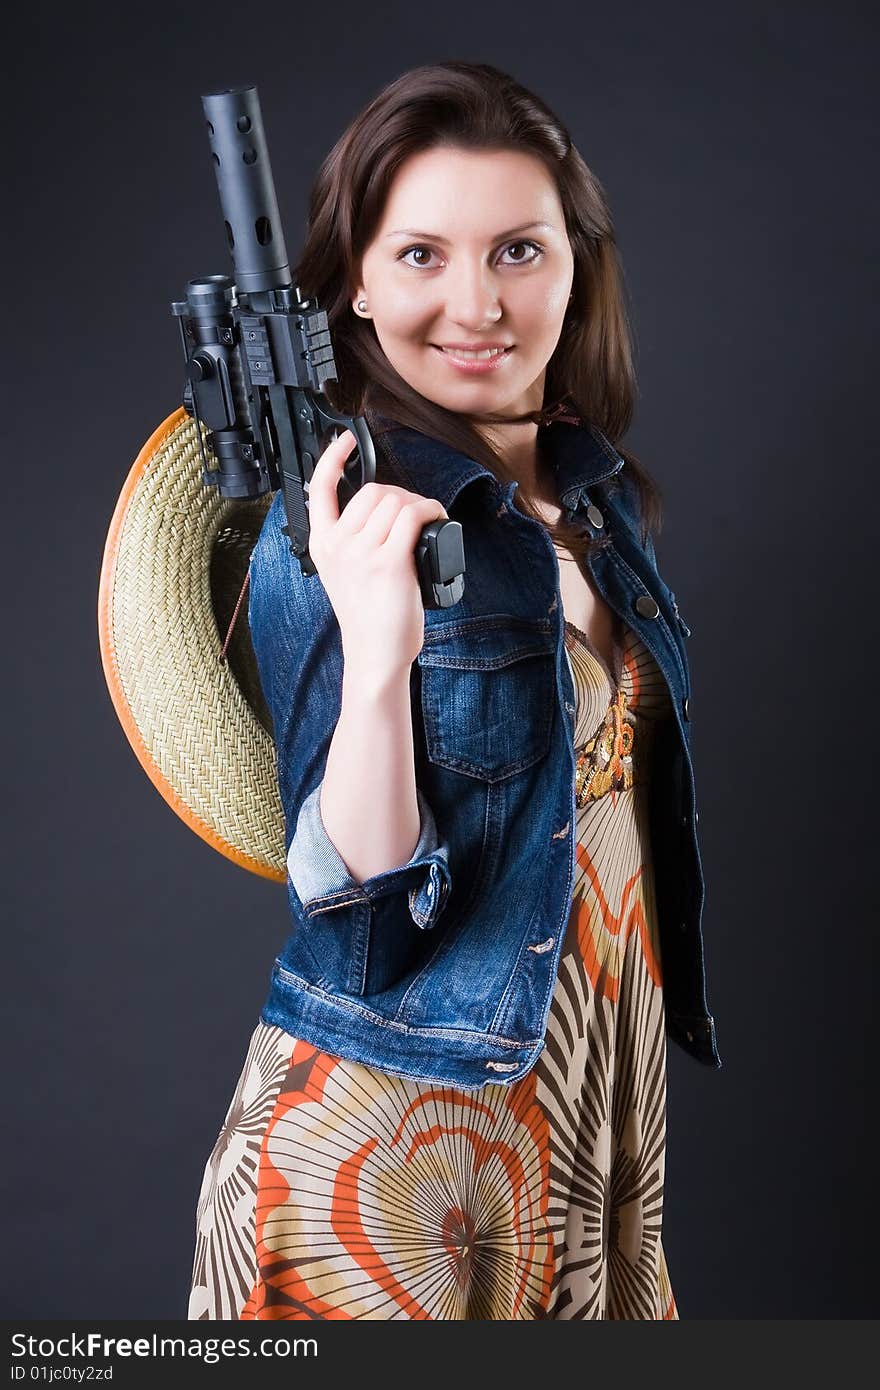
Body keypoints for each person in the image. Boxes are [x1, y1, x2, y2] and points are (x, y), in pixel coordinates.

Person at [187, 58, 720, 1322]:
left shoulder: (593, 504)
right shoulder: (338, 520)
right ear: (355, 286)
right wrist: (378, 658)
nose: (476, 302)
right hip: (387, 1161)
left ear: (575, 264)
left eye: (517, 251)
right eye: (421, 254)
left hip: (584, 1126)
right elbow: (348, 894)